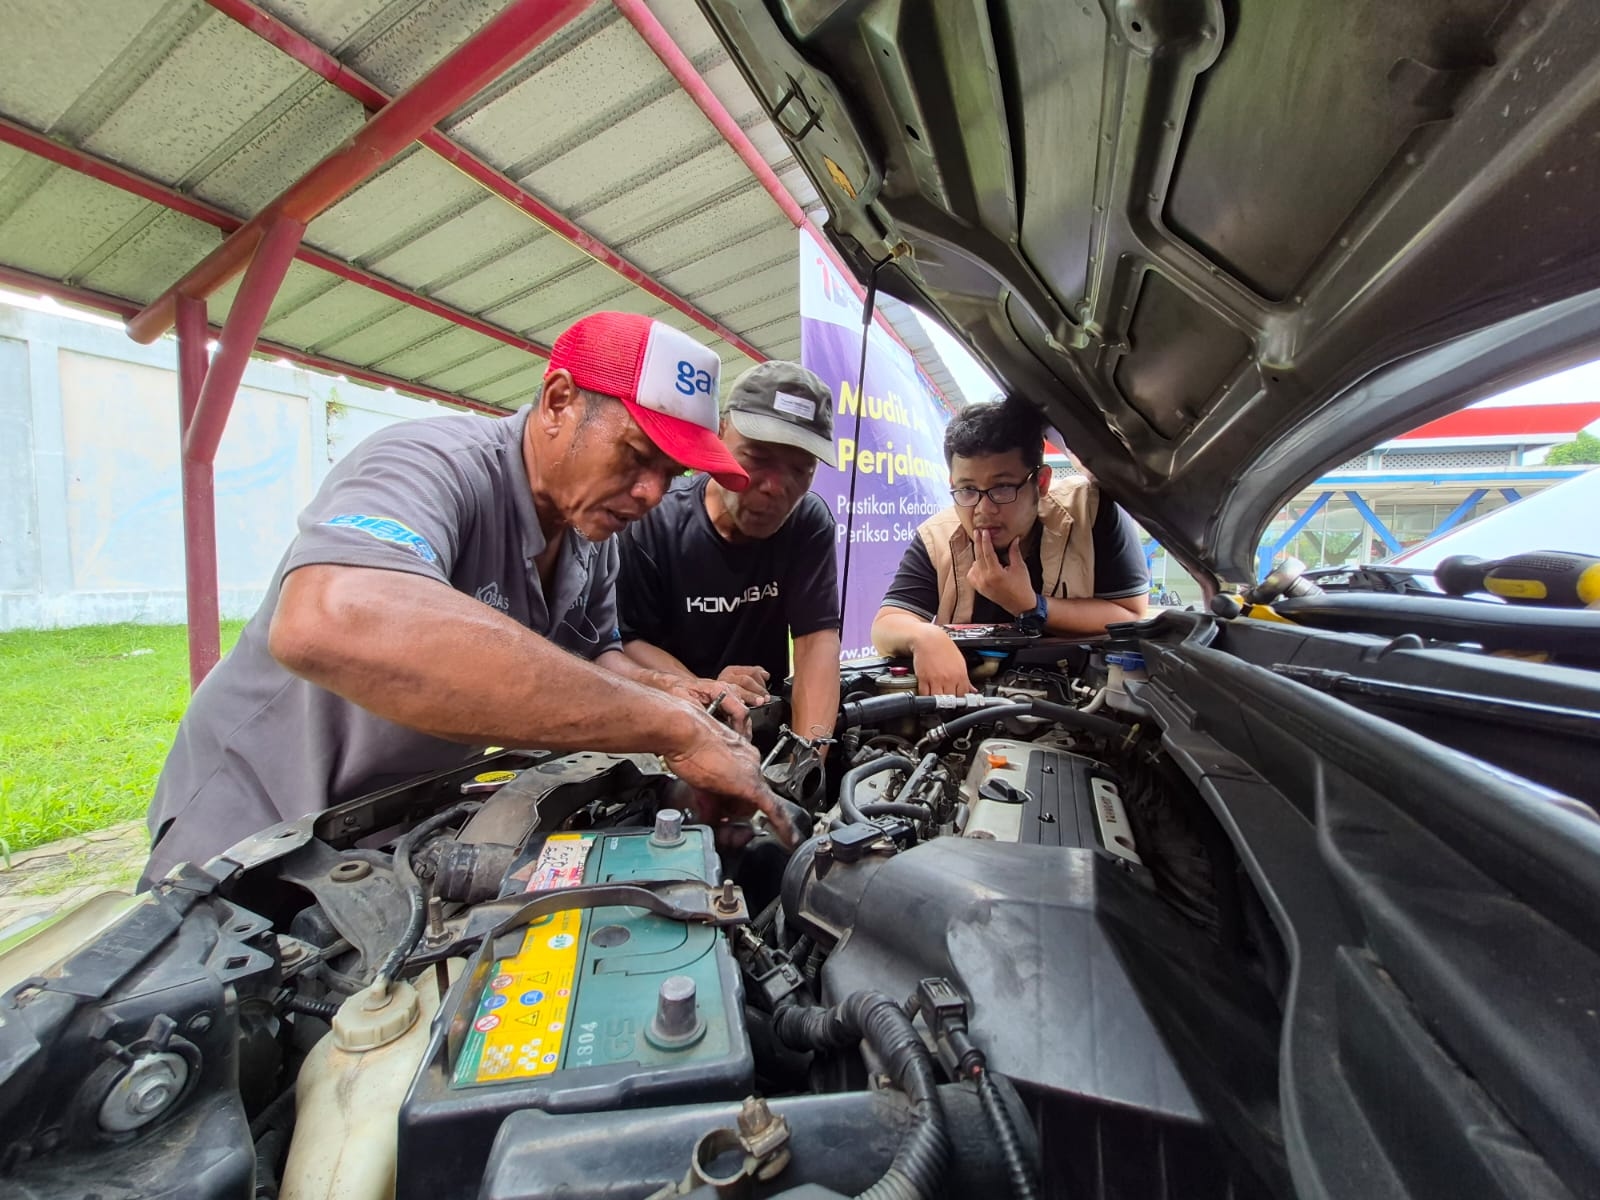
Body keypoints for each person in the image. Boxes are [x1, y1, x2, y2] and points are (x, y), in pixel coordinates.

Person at [141, 311, 792, 888]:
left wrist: (670, 693)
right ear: (559, 400)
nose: (652, 493)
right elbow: (327, 619)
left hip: (385, 839)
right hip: (249, 831)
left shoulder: (593, 536)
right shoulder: (428, 462)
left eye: (671, 476)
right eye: (635, 455)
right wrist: (667, 727)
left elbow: (594, 656)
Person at [616, 361, 841, 748]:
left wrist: (807, 765)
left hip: (760, 732)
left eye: (801, 469)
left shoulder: (807, 522)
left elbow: (816, 642)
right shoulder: (653, 522)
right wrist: (704, 688)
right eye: (756, 457)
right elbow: (626, 640)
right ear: (720, 434)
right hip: (666, 732)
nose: (775, 487)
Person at [872, 395, 1149, 694]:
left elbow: (1130, 615)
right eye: (967, 490)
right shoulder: (937, 537)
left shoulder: (1091, 511)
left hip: (1076, 695)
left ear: (1041, 482)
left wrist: (1031, 606)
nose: (983, 510)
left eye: (1002, 487)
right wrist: (925, 637)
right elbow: (887, 624)